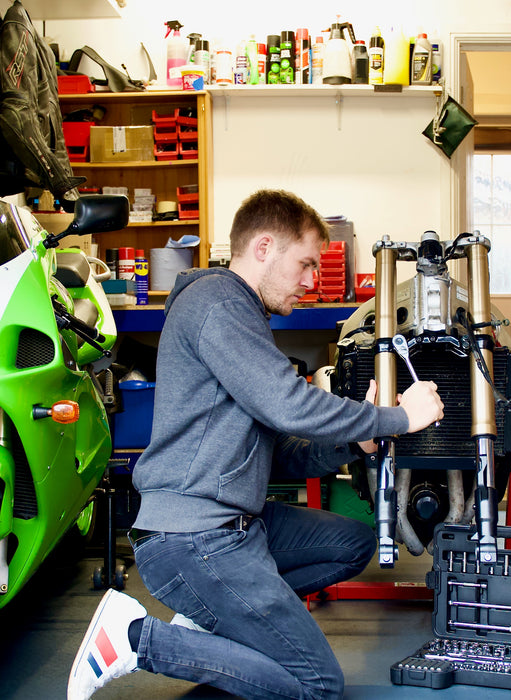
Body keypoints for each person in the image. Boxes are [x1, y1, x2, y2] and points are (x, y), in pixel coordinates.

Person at [67, 189, 443, 700]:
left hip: (239, 525)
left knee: (353, 545)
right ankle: (134, 640)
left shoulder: (241, 316)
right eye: (306, 264)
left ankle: (211, 621)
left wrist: (363, 441)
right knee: (318, 686)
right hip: (193, 538)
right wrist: (398, 417)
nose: (312, 283)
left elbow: (281, 450)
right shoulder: (217, 303)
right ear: (264, 247)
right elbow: (290, 404)